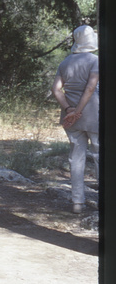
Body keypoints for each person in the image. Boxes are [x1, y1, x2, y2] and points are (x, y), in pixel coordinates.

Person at [51, 25, 99, 213]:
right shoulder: (95, 61)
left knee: (76, 157)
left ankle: (77, 202)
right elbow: (90, 88)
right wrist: (78, 111)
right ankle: (103, 200)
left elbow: (56, 89)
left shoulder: (64, 62)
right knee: (99, 155)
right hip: (94, 113)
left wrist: (69, 109)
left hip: (70, 118)